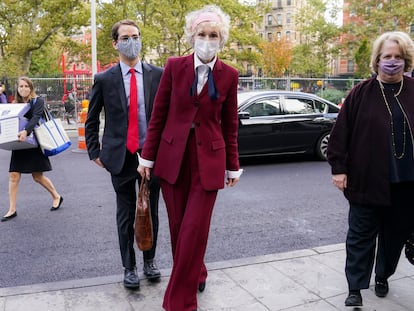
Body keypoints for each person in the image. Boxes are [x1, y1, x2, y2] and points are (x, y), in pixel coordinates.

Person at [138, 5, 242, 311]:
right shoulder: (174, 67)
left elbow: (230, 124)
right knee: (179, 227)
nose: (207, 39)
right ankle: (197, 270)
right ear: (192, 36)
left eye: (213, 35)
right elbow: (158, 115)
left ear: (221, 40)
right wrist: (147, 158)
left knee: (194, 228)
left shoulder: (229, 76)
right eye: (202, 34)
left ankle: (179, 302)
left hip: (208, 162)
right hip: (173, 158)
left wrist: (233, 165)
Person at [327, 31, 414, 307]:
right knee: (360, 236)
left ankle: (383, 275)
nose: (392, 62)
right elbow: (340, 134)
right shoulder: (360, 93)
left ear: (406, 61)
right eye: (387, 56)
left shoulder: (413, 91)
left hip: (406, 183)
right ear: (377, 60)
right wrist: (339, 169)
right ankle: (355, 286)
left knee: (394, 237)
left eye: (398, 57)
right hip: (366, 180)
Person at [85, 19, 163, 290]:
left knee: (150, 210)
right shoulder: (104, 79)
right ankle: (128, 267)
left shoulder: (158, 74)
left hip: (150, 156)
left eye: (136, 36)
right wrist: (94, 151)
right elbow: (91, 118)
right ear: (115, 43)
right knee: (126, 213)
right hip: (120, 156)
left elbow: (166, 117)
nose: (132, 41)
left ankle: (150, 261)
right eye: (126, 37)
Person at [1, 77, 63, 222]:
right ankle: (12, 209)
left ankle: (56, 196)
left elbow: (35, 118)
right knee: (14, 175)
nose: (23, 89)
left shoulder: (37, 101)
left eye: (26, 86)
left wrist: (25, 132)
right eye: (21, 86)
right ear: (17, 89)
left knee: (37, 176)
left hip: (33, 143)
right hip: (18, 144)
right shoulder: (14, 104)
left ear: (31, 88)